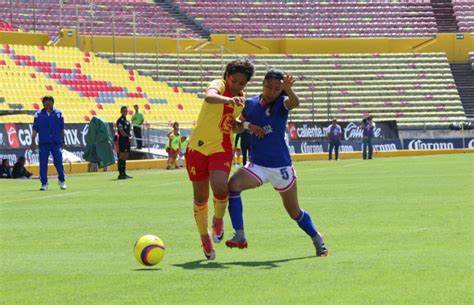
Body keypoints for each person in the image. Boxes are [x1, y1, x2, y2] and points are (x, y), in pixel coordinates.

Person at [226, 69, 328, 257]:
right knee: (233, 185)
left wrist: (288, 90)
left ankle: (317, 238)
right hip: (258, 165)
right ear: (262, 84)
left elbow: (295, 103)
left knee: (294, 212)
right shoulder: (250, 104)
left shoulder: (282, 103)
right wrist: (249, 126)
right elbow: (236, 126)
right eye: (268, 87)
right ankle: (240, 234)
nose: (271, 91)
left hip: (281, 167)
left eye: (276, 88)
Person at [185, 58, 255, 260]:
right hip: (197, 148)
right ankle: (204, 237)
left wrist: (241, 126)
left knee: (220, 186)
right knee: (200, 198)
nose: (237, 86)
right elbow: (209, 97)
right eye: (234, 81)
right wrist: (228, 100)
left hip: (221, 147)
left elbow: (231, 124)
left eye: (242, 83)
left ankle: (218, 220)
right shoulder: (218, 85)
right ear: (227, 76)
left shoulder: (241, 99)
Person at [31, 96, 66, 190]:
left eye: (49, 102)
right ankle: (44, 183)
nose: (48, 104)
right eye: (46, 102)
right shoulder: (38, 114)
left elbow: (62, 129)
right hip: (44, 143)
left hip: (56, 142)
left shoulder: (59, 113)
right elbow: (35, 129)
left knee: (58, 162)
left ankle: (62, 180)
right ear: (43, 104)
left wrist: (63, 141)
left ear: (52, 103)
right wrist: (33, 141)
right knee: (43, 163)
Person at [116, 106, 133, 179]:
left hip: (127, 141)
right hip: (122, 140)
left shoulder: (127, 121)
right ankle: (120, 174)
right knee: (121, 156)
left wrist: (131, 136)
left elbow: (130, 130)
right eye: (123, 111)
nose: (125, 112)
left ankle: (124, 173)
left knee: (125, 156)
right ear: (121, 111)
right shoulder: (120, 120)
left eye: (126, 111)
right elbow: (121, 131)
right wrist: (127, 136)